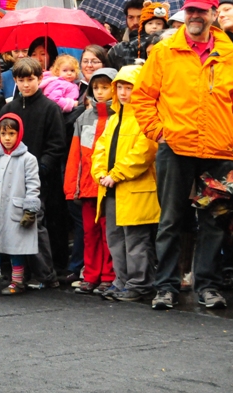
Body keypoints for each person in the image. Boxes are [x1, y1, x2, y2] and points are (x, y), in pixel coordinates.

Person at [133, 0, 233, 311]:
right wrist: (159, 132)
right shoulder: (164, 51)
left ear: (213, 14)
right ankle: (165, 287)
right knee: (171, 220)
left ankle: (207, 286)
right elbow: (141, 97)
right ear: (185, 13)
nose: (195, 16)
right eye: (190, 10)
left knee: (214, 221)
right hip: (175, 149)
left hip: (219, 151)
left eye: (202, 10)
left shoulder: (231, 55)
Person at [92, 64, 160, 302]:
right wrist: (100, 173)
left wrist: (116, 174)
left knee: (136, 240)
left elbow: (145, 152)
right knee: (116, 238)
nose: (122, 92)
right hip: (111, 188)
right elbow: (99, 149)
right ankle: (122, 281)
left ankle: (139, 284)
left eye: (128, 87)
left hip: (134, 188)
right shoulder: (114, 119)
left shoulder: (145, 117)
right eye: (119, 87)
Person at [0, 58, 66, 288]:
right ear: (15, 81)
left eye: (31, 79)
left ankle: (46, 275)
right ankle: (18, 273)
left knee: (34, 223)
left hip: (39, 178)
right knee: (12, 223)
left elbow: (56, 145)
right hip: (10, 176)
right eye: (21, 80)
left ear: (39, 79)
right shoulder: (8, 109)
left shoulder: (50, 108)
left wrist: (40, 170)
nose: (26, 84)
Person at [64, 67, 116, 295]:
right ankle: (92, 274)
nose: (100, 92)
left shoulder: (120, 116)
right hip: (86, 186)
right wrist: (71, 188)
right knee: (89, 232)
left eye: (105, 87)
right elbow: (76, 154)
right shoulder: (84, 118)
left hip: (110, 186)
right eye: (96, 87)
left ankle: (108, 275)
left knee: (108, 233)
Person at [0, 114, 40, 297]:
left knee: (15, 248)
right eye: (4, 134)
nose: (7, 138)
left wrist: (30, 209)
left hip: (15, 211)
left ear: (19, 134)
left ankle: (17, 282)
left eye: (12, 133)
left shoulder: (28, 159)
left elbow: (33, 185)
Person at [107, 0, 146, 70]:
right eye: (131, 17)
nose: (135, 22)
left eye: (140, 17)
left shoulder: (161, 45)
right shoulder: (116, 50)